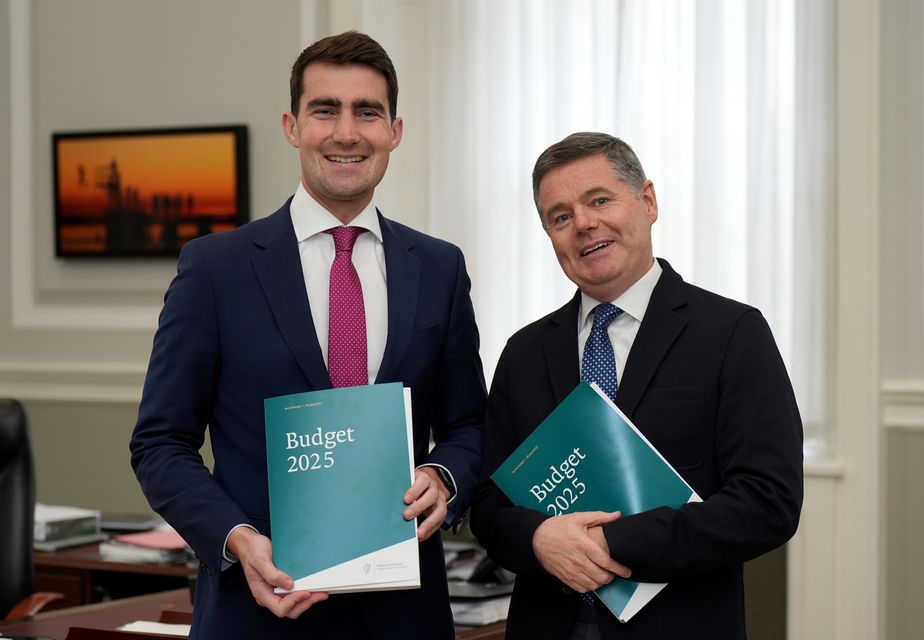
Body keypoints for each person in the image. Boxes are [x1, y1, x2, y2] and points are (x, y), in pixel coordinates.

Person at [130, 31, 486, 639]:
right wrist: (237, 540)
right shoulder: (216, 269)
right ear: (293, 126)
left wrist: (444, 478)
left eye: (367, 112)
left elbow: (467, 427)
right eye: (326, 110)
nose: (346, 133)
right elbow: (161, 443)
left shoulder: (440, 267)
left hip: (404, 616)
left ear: (395, 131)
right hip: (259, 608)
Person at [470, 132, 803, 640]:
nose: (583, 224)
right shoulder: (523, 352)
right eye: (560, 217)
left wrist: (610, 543)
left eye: (599, 200)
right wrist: (538, 538)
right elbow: (489, 506)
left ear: (648, 201)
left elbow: (767, 503)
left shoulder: (732, 333)